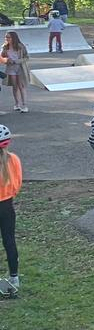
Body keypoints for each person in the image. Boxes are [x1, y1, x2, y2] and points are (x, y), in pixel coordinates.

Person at [0, 125, 20, 296]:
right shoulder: (13, 159)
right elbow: (17, 182)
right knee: (9, 241)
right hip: (7, 204)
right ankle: (14, 277)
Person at [0, 32, 29, 113]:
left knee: (21, 86)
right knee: (15, 86)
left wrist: (17, 61)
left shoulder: (20, 46)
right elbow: (2, 58)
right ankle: (17, 104)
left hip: (20, 68)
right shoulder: (5, 47)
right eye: (6, 37)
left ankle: (24, 105)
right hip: (10, 68)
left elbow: (26, 57)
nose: (7, 39)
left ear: (14, 38)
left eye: (9, 37)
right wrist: (7, 60)